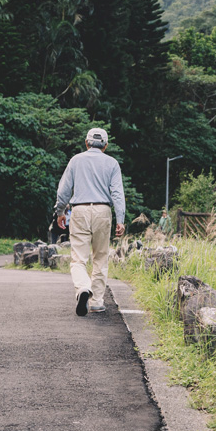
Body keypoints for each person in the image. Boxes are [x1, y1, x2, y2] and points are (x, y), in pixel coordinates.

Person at [55, 127, 125, 317]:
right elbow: (117, 193)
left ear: (86, 143)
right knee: (100, 257)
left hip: (79, 210)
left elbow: (63, 190)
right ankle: (97, 302)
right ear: (105, 145)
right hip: (103, 210)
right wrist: (120, 219)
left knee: (78, 258)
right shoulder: (112, 163)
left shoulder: (75, 160)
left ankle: (83, 288)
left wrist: (60, 211)